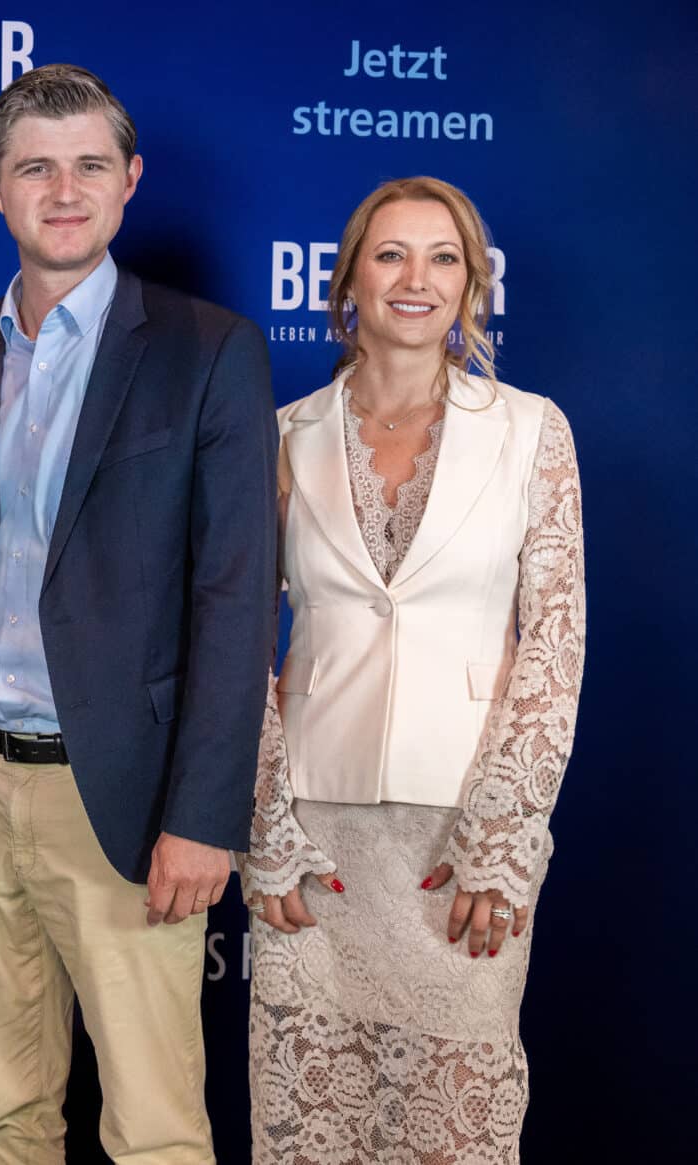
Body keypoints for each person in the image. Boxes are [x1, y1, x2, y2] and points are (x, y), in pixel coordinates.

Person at [0, 65, 278, 1164]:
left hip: (120, 792)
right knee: (3, 1117)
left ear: (129, 181)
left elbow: (233, 595)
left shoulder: (207, 349)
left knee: (155, 1130)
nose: (62, 190)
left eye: (86, 165)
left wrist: (205, 815)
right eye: (34, 167)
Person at [243, 176, 585, 1163]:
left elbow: (555, 641)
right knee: (314, 1131)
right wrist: (266, 828)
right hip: (314, 843)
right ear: (347, 277)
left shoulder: (530, 431)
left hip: (460, 844)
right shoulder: (281, 434)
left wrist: (504, 836)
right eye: (390, 253)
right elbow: (232, 643)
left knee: (452, 1133)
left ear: (471, 285)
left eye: (443, 258)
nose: (416, 279)